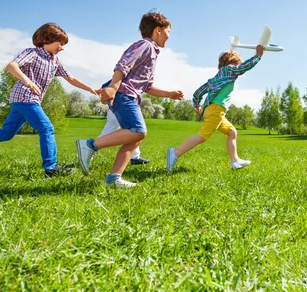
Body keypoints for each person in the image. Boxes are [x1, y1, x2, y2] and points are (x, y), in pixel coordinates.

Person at [0, 23, 98, 177]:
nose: (62, 47)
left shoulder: (54, 61)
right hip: (25, 97)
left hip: (27, 101)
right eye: (60, 43)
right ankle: (51, 168)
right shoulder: (32, 53)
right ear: (47, 38)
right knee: (46, 128)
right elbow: (12, 66)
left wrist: (90, 88)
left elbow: (70, 78)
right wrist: (27, 81)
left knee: (6, 134)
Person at [76, 10, 183, 188]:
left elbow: (146, 86)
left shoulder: (153, 52)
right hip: (124, 94)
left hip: (130, 95)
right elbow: (123, 64)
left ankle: (113, 178)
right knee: (138, 130)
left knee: (134, 139)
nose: (169, 36)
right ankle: (90, 145)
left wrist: (169, 94)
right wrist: (113, 86)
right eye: (168, 31)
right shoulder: (145, 45)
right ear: (158, 29)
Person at [166, 44, 264, 174]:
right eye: (236, 63)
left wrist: (197, 105)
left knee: (232, 132)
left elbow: (198, 92)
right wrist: (258, 56)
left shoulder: (215, 78)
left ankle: (235, 161)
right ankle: (175, 153)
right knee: (202, 136)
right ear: (232, 62)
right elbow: (243, 67)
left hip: (213, 110)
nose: (236, 67)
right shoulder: (229, 69)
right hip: (216, 110)